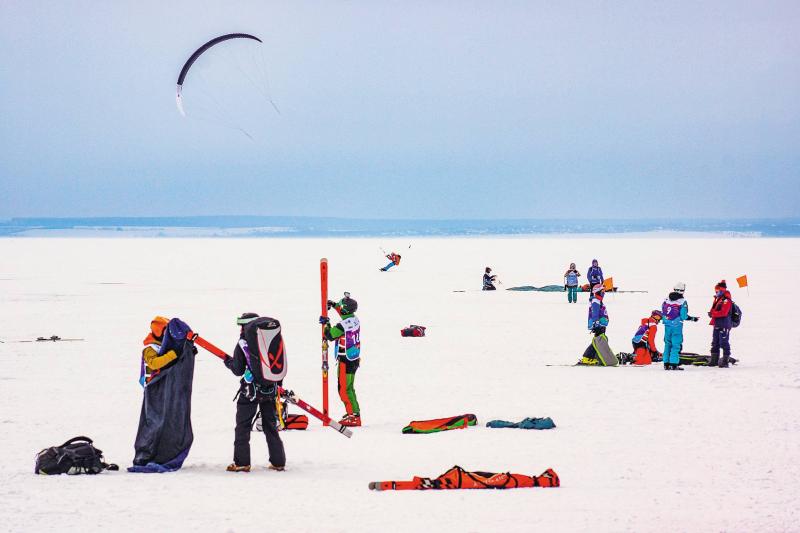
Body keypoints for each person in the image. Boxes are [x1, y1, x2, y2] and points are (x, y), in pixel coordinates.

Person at [224, 312, 286, 473]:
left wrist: (228, 362)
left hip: (250, 391)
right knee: (270, 426)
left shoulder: (243, 343)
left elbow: (237, 369)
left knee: (243, 427)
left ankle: (242, 463)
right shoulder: (269, 341)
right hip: (270, 389)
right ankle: (278, 461)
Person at [320, 293, 362, 427]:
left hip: (345, 360)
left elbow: (329, 335)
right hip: (353, 358)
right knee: (349, 388)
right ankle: (354, 412)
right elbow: (343, 312)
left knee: (343, 389)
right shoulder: (354, 319)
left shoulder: (343, 325)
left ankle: (353, 416)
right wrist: (333, 305)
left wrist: (326, 323)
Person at [661, 282, 699, 370]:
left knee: (667, 344)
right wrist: (692, 318)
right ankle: (674, 364)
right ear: (683, 291)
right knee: (676, 345)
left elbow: (663, 311)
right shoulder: (682, 301)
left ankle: (666, 364)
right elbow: (683, 315)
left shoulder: (666, 299)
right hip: (676, 326)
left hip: (667, 325)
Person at [578, 285, 609, 365]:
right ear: (598, 292)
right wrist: (596, 323)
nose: (604, 293)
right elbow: (595, 313)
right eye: (602, 291)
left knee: (600, 340)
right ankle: (587, 357)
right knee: (597, 341)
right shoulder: (596, 301)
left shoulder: (598, 300)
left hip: (601, 324)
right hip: (598, 324)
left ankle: (594, 356)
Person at [708, 280, 733, 367]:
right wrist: (711, 313)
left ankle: (725, 361)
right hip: (717, 324)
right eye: (715, 291)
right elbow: (714, 309)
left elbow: (724, 312)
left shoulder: (726, 300)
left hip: (724, 324)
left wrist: (713, 314)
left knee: (724, 342)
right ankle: (714, 360)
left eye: (717, 291)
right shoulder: (718, 299)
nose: (716, 292)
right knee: (715, 342)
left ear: (722, 290)